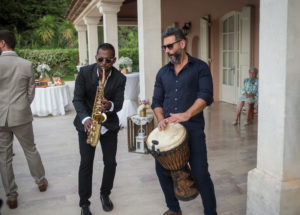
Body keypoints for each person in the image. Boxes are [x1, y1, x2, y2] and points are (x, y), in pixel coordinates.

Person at [151, 27, 217, 215]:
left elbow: (206, 95)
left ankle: (211, 213)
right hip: (169, 132)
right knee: (162, 171)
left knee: (201, 174)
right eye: (164, 48)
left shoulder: (200, 67)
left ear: (182, 43)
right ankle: (174, 208)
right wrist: (161, 118)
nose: (167, 51)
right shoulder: (162, 73)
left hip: (193, 129)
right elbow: (156, 101)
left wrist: (187, 114)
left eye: (170, 46)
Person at [73, 43, 126, 215]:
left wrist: (109, 105)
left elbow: (118, 104)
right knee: (86, 164)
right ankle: (84, 203)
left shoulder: (120, 78)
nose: (103, 63)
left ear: (114, 60)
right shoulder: (84, 73)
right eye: (100, 59)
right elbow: (77, 99)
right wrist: (86, 118)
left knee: (110, 162)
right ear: (96, 57)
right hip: (87, 125)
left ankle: (105, 194)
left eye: (108, 60)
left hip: (108, 125)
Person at [0, 30, 48, 210]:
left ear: (2, 43)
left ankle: (11, 196)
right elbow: (31, 91)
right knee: (30, 149)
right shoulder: (26, 64)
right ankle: (41, 181)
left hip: (0, 118)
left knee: (3, 157)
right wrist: (22, 105)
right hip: (21, 115)